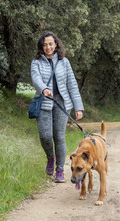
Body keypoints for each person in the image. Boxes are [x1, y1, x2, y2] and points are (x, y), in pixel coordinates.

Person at [31, 31, 84, 182]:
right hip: (44, 102)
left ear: (56, 45)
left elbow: (72, 85)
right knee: (45, 136)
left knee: (59, 137)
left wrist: (78, 107)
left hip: (62, 103)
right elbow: (35, 79)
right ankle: (50, 158)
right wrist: (44, 89)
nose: (48, 47)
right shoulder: (36, 62)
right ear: (41, 46)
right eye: (45, 44)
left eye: (51, 44)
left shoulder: (64, 62)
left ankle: (60, 170)